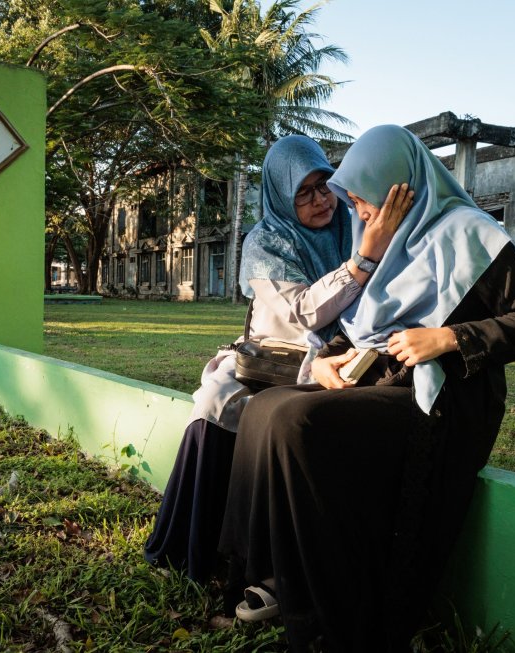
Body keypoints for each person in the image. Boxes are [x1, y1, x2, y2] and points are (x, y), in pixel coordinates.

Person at [217, 125, 515, 651]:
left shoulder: (469, 233)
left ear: (399, 189)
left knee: (294, 421)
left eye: (364, 203)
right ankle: (273, 577)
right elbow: (359, 328)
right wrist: (331, 362)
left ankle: (323, 604)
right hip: (383, 381)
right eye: (353, 204)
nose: (358, 216)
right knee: (264, 408)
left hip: (445, 396)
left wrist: (449, 337)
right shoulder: (382, 245)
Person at [144, 134, 413, 586]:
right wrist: (364, 259)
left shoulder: (352, 224)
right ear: (281, 196)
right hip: (277, 351)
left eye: (324, 184)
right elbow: (304, 310)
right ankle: (198, 545)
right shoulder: (265, 241)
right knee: (218, 398)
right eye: (302, 192)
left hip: (347, 348)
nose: (319, 200)